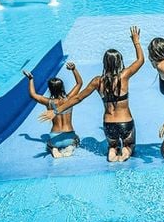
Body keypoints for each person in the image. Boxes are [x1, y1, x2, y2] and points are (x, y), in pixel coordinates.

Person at [39, 26, 144, 162]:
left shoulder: (97, 81)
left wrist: (56, 111)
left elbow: (78, 98)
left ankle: (112, 153)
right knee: (129, 145)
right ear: (119, 62)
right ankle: (125, 153)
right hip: (125, 122)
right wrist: (136, 41)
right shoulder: (124, 76)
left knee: (112, 146)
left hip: (109, 124)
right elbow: (140, 60)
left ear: (104, 63)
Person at [23, 62, 83, 158]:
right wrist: (73, 69)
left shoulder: (48, 102)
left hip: (55, 137)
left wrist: (30, 79)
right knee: (76, 139)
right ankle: (70, 147)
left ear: (50, 89)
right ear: (62, 87)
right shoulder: (69, 99)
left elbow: (33, 95)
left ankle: (53, 148)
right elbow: (79, 83)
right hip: (69, 135)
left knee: (49, 143)